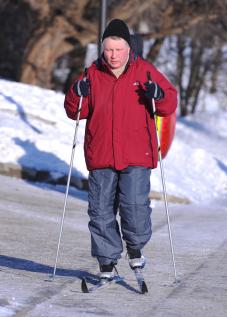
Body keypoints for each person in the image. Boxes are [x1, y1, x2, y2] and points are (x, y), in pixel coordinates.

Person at [64, 19, 177, 280]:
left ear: (128, 48)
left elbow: (168, 104)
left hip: (137, 153)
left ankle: (135, 248)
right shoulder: (92, 74)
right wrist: (76, 93)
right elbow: (75, 111)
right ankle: (106, 260)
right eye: (108, 50)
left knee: (134, 206)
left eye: (119, 49)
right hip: (101, 152)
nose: (113, 56)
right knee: (100, 210)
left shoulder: (145, 72)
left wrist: (157, 93)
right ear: (102, 50)